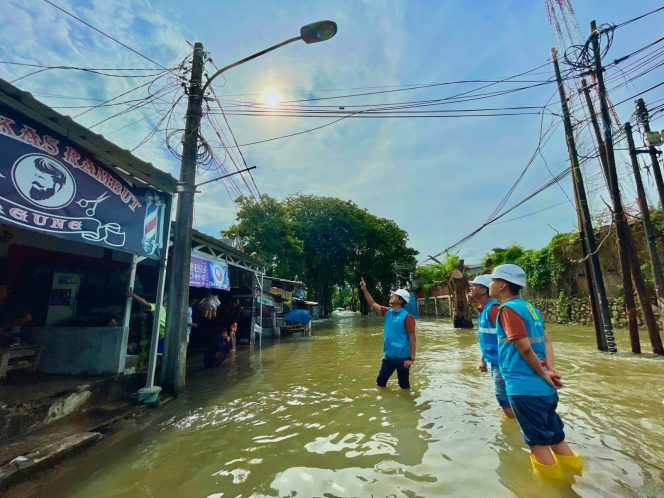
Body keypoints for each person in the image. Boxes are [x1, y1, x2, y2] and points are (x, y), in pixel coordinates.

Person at [488, 263, 582, 479]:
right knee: (557, 439)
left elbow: (523, 347)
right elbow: (547, 340)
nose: (490, 284)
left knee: (538, 445)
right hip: (545, 390)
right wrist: (549, 370)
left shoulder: (507, 310)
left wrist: (542, 373)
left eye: (493, 280)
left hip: (525, 388)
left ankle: (555, 489)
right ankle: (577, 478)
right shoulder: (529, 308)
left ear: (502, 285)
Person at [467, 274, 515, 418]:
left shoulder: (493, 309)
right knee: (505, 401)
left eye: (474, 285)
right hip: (495, 362)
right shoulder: (483, 309)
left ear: (483, 290)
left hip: (503, 363)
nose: (470, 288)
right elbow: (490, 338)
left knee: (506, 402)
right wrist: (483, 360)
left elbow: (511, 337)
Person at [359, 277, 416, 389]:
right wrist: (364, 289)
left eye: (394, 295)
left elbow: (412, 339)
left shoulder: (407, 317)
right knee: (380, 382)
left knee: (404, 386)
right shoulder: (388, 312)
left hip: (403, 359)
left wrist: (411, 360)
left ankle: (406, 405)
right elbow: (372, 303)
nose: (391, 296)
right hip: (388, 357)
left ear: (400, 300)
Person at [126, 289, 166, 357]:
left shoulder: (158, 307)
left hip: (161, 336)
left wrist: (133, 295)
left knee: (158, 356)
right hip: (156, 336)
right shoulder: (160, 309)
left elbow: (145, 304)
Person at [0, 283, 32, 347]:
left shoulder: (13, 304)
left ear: (7, 291)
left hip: (14, 337)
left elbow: (28, 317)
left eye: (1, 290)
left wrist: (8, 327)